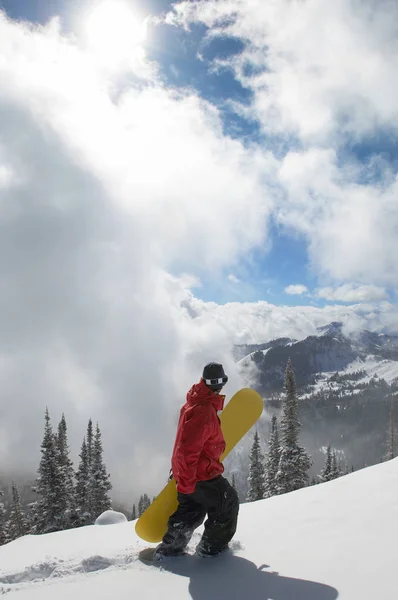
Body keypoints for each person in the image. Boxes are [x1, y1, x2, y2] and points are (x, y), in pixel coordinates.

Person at [155, 362, 239, 559]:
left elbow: (184, 444)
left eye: (221, 381)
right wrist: (186, 481)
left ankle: (170, 549)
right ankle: (211, 549)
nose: (218, 386)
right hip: (200, 474)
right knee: (227, 502)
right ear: (205, 381)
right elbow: (187, 449)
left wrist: (182, 476)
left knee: (193, 509)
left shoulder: (197, 401)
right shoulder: (203, 410)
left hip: (190, 472)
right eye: (214, 382)